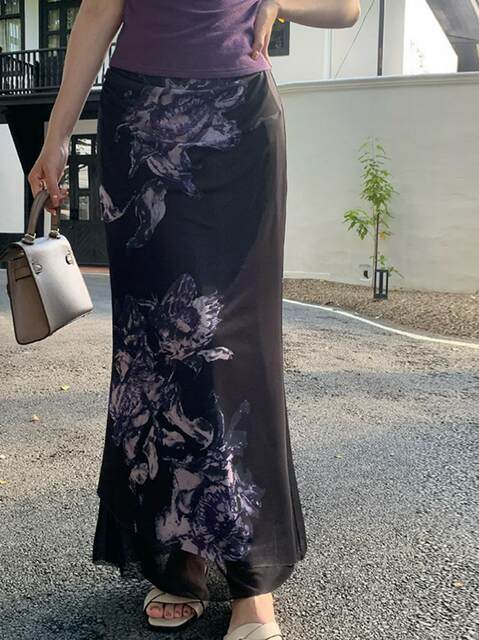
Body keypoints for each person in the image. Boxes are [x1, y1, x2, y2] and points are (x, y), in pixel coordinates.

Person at [28, 1, 361, 638]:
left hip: (240, 123)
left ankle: (251, 580)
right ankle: (177, 558)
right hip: (141, 124)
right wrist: (57, 134)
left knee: (240, 345)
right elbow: (98, 10)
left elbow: (346, 8)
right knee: (157, 343)